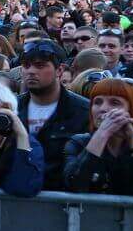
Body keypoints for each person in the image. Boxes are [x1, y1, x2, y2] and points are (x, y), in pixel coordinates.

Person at [17, 39, 89, 191]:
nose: (31, 71)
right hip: (16, 199)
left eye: (40, 65)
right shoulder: (11, 108)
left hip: (65, 204)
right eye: (26, 66)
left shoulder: (83, 111)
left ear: (60, 70)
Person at [63, 77, 133, 195]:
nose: (103, 109)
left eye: (115, 103)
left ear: (132, 109)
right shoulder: (78, 143)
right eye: (97, 102)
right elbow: (74, 184)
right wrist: (101, 135)